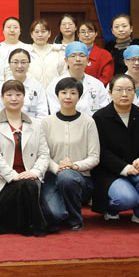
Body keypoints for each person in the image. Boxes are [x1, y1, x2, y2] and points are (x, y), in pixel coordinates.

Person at [91, 74, 139, 228]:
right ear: (110, 93)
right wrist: (125, 168)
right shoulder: (100, 117)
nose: (124, 94)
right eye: (119, 90)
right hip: (110, 172)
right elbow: (100, 152)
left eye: (129, 90)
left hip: (138, 168)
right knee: (126, 199)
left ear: (134, 92)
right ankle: (111, 208)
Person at [0, 80, 50, 236]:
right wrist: (13, 175)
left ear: (24, 97)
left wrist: (34, 172)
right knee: (26, 185)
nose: (14, 98)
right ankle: (36, 225)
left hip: (29, 178)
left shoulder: (36, 124)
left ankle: (28, 224)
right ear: (2, 97)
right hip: (3, 182)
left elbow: (44, 154)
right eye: (9, 95)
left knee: (28, 184)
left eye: (18, 95)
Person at [39, 77, 100, 232]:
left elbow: (94, 157)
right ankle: (63, 207)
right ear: (57, 95)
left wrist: (74, 166)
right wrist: (57, 169)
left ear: (79, 96)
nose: (68, 97)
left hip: (80, 178)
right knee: (55, 215)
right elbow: (43, 154)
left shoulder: (88, 122)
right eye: (63, 92)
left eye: (73, 93)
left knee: (67, 176)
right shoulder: (47, 122)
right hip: (52, 176)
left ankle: (75, 218)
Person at [47, 42, 110, 116]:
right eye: (73, 56)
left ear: (87, 60)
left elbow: (104, 110)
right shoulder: (55, 84)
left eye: (82, 56)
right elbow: (55, 111)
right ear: (66, 60)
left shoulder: (97, 84)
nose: (78, 59)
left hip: (94, 122)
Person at [8, 48, 49, 126]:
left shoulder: (37, 87)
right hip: (7, 129)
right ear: (9, 64)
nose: (19, 66)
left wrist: (33, 129)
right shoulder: (1, 87)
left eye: (23, 62)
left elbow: (42, 113)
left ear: (29, 64)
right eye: (15, 62)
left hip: (33, 128)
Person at [26, 19, 66, 90]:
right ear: (31, 34)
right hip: (32, 92)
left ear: (49, 33)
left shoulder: (58, 52)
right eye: (36, 32)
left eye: (43, 31)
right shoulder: (26, 52)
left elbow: (63, 74)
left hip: (54, 93)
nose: (40, 35)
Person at [78, 21, 114, 85]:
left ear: (96, 34)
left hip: (97, 89)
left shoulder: (105, 55)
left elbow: (106, 78)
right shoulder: (72, 54)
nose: (87, 35)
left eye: (90, 31)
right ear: (78, 35)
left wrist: (93, 88)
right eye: (83, 32)